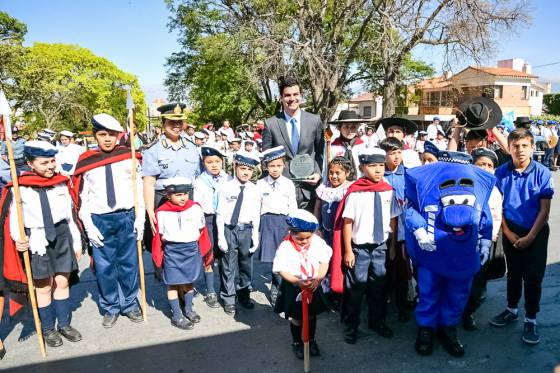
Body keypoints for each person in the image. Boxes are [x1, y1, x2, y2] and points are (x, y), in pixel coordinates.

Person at [405, 150, 494, 357]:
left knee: (458, 294)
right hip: (432, 254)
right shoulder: (427, 183)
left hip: (463, 255)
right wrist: (419, 230)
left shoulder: (476, 187)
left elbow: (484, 215)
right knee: (428, 293)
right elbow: (411, 210)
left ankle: (449, 328)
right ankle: (426, 329)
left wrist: (486, 241)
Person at [73, 113, 145, 328]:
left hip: (125, 216)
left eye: (112, 135)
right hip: (99, 219)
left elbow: (138, 189)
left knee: (129, 264)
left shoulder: (129, 157)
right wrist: (88, 225)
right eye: (102, 134)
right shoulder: (87, 161)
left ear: (119, 136)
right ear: (95, 136)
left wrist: (140, 218)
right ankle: (111, 306)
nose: (107, 139)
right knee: (105, 267)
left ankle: (130, 304)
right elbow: (81, 197)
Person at [10, 141, 83, 347]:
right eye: (44, 163)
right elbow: (15, 216)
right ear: (30, 163)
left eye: (52, 161)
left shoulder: (60, 182)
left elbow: (70, 216)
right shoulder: (20, 186)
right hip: (37, 240)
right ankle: (48, 328)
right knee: (43, 287)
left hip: (61, 235)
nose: (51, 166)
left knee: (62, 282)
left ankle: (64, 324)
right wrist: (19, 238)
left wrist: (76, 241)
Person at [490, 129, 554, 345]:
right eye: (515, 146)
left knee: (533, 277)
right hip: (511, 230)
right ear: (509, 148)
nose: (520, 150)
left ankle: (531, 318)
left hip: (536, 230)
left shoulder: (542, 173)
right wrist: (507, 232)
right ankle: (511, 309)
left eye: (524, 146)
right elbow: (497, 207)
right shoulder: (500, 173)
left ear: (532, 147)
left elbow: (544, 211)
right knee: (514, 273)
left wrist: (530, 237)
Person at [330, 148, 400, 344]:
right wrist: (348, 250)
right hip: (359, 249)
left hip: (380, 246)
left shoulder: (388, 190)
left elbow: (393, 220)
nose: (378, 170)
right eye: (372, 166)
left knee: (379, 287)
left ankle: (376, 321)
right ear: (361, 168)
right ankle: (351, 326)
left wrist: (392, 246)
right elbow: (347, 222)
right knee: (355, 289)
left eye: (380, 165)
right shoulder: (356, 192)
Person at [152, 177, 212, 329]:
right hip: (172, 251)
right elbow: (159, 236)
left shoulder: (195, 208)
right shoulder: (162, 212)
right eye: (178, 195)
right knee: (172, 284)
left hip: (190, 250)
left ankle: (189, 309)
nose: (183, 197)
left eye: (185, 193)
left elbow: (201, 230)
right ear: (168, 195)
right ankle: (177, 315)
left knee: (188, 282)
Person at [273, 209, 332, 359]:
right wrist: (297, 281)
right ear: (291, 232)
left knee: (311, 315)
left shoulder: (318, 242)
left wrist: (318, 278)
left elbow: (324, 261)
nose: (304, 241)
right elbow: (281, 269)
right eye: (300, 238)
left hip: (313, 283)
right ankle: (297, 342)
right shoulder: (285, 246)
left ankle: (311, 341)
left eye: (308, 237)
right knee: (297, 318)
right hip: (294, 285)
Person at [143, 103, 201, 249]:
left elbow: (197, 178)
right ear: (163, 123)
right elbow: (149, 183)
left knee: (189, 241)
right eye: (172, 122)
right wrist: (150, 211)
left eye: (179, 122)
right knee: (164, 245)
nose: (177, 126)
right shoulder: (153, 150)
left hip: (188, 200)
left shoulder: (192, 147)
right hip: (164, 200)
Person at [263, 76, 324, 210]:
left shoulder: (314, 121)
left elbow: (321, 152)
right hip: (281, 190)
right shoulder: (271, 124)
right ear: (281, 98)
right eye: (287, 95)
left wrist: (319, 174)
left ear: (301, 96)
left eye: (296, 94)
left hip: (308, 188)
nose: (292, 99)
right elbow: (265, 158)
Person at [216, 150, 261, 315]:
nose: (246, 173)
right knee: (228, 266)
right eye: (242, 168)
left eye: (249, 170)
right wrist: (221, 236)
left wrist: (255, 235)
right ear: (235, 167)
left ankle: (244, 294)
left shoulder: (254, 190)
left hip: (246, 229)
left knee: (246, 264)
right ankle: (228, 297)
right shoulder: (226, 187)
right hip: (230, 230)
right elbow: (220, 213)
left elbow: (256, 214)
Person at [462, 147, 503, 331]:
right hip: (461, 243)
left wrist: (491, 237)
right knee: (459, 281)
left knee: (477, 284)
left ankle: (468, 312)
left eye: (489, 165)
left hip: (482, 244)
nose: (485, 168)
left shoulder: (494, 192)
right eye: (481, 164)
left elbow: (496, 217)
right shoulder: (462, 185)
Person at [256, 146, 297, 305]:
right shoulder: (260, 184)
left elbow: (292, 205)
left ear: (283, 165)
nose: (275, 169)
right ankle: (276, 286)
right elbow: (257, 207)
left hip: (284, 223)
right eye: (271, 166)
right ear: (266, 166)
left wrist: (293, 226)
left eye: (278, 165)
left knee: (285, 255)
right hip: (267, 222)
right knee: (273, 258)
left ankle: (285, 286)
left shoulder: (288, 184)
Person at [192, 145, 230, 309]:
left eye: (217, 161)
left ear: (222, 162)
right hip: (207, 220)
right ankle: (210, 290)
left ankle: (226, 289)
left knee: (224, 256)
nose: (214, 165)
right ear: (203, 163)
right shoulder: (199, 181)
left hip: (224, 220)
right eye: (209, 162)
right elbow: (197, 205)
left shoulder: (228, 179)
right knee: (208, 256)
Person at [379, 137, 412, 322]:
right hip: (383, 227)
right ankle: (382, 301)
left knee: (401, 268)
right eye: (392, 153)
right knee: (383, 268)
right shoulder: (379, 175)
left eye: (399, 152)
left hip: (403, 229)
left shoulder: (408, 174)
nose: (396, 157)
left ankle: (402, 303)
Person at [314, 156, 353, 247]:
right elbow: (317, 208)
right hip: (324, 231)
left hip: (341, 232)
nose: (334, 176)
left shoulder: (350, 188)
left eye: (337, 173)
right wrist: (316, 227)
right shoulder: (324, 187)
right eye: (331, 173)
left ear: (347, 173)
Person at [328, 110, 369, 178]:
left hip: (360, 182)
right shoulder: (332, 147)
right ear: (339, 128)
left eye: (353, 127)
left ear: (357, 127)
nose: (350, 131)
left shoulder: (363, 145)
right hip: (339, 184)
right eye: (346, 127)